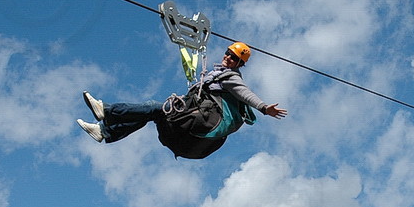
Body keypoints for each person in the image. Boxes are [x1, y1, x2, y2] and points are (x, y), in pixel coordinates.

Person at [76, 42, 287, 156]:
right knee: (153, 114)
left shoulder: (230, 77)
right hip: (190, 136)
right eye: (228, 53)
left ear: (240, 64)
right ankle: (104, 132)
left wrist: (263, 107)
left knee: (152, 107)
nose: (228, 57)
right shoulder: (214, 74)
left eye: (234, 57)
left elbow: (243, 92)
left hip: (202, 123)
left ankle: (107, 111)